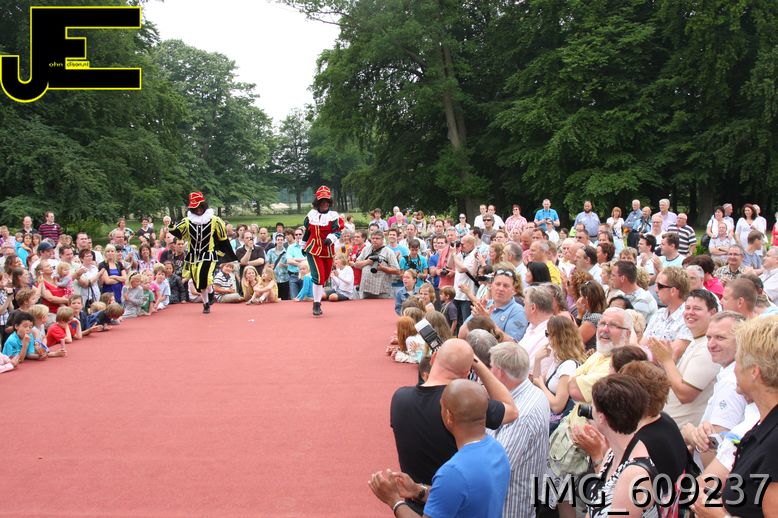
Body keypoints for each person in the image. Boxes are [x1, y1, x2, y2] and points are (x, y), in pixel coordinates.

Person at [389, 338, 518, 514]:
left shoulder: (400, 399)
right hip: (459, 503)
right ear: (467, 373)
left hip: (415, 504)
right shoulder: (465, 403)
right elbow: (511, 410)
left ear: (433, 357)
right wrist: (478, 365)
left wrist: (395, 501)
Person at [372, 379, 510, 518]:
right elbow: (457, 495)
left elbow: (453, 486)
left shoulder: (453, 472)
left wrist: (394, 500)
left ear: (448, 416)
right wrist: (417, 490)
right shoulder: (497, 450)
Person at [691, 316, 778, 518]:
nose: (734, 370)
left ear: (754, 372)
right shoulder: (763, 424)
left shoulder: (774, 441)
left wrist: (719, 516)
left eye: (738, 361)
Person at [488, 343, 550, 518]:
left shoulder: (521, 416)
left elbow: (496, 468)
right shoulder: (534, 392)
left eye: (491, 367)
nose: (489, 371)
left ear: (499, 372)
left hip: (509, 507)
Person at [584, 375, 658, 518]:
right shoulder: (613, 452)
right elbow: (594, 507)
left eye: (593, 406)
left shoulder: (634, 475)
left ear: (601, 418)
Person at [655, 289, 720, 429]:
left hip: (681, 431)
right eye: (687, 308)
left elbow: (685, 395)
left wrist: (667, 361)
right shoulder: (696, 341)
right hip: (668, 423)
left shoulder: (709, 348)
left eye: (697, 309)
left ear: (712, 312)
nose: (690, 313)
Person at [167, 192, 237, 314]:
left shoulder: (215, 220)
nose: (198, 210)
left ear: (204, 206)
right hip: (193, 256)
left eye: (200, 207)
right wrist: (171, 226)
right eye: (195, 208)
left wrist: (222, 252)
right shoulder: (187, 221)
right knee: (198, 282)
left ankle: (206, 304)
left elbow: (222, 238)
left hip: (208, 255)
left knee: (203, 276)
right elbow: (179, 234)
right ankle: (208, 297)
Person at [531, 315, 586, 433]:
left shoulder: (568, 366)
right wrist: (537, 360)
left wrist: (541, 385)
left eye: (548, 334)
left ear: (558, 337)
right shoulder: (558, 359)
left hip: (555, 422)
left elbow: (557, 406)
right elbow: (536, 380)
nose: (547, 338)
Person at [301, 186, 343, 316]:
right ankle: (316, 304)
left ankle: (317, 301)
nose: (324, 204)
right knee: (318, 277)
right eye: (322, 201)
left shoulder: (333, 216)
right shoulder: (311, 215)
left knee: (324, 277)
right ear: (317, 203)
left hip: (327, 250)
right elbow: (308, 232)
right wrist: (303, 245)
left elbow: (337, 232)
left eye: (326, 201)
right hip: (313, 249)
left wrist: (331, 238)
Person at [460, 264, 528, 342]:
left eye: (506, 286)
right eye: (497, 284)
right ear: (491, 286)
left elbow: (512, 344)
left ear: (514, 290)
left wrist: (488, 321)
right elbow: (461, 335)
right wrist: (475, 319)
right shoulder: (485, 305)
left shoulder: (518, 311)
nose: (500, 289)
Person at [355, 230, 401, 299]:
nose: (374, 240)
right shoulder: (366, 249)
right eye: (373, 238)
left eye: (377, 238)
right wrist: (367, 262)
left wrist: (382, 268)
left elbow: (397, 271)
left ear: (382, 239)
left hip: (382, 290)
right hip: (365, 289)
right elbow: (356, 264)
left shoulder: (388, 252)